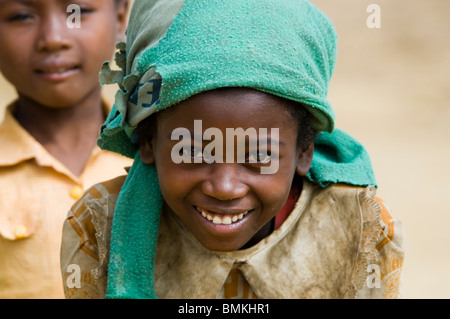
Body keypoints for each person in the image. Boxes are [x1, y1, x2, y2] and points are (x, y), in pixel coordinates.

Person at [60, 0, 405, 299]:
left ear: (305, 151)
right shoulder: (99, 228)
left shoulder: (358, 228)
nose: (224, 187)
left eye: (258, 157)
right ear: (148, 140)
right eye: (192, 152)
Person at [0, 0, 131, 298]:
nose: (54, 38)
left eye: (78, 12)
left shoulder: (160, 162)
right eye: (21, 16)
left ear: (120, 18)